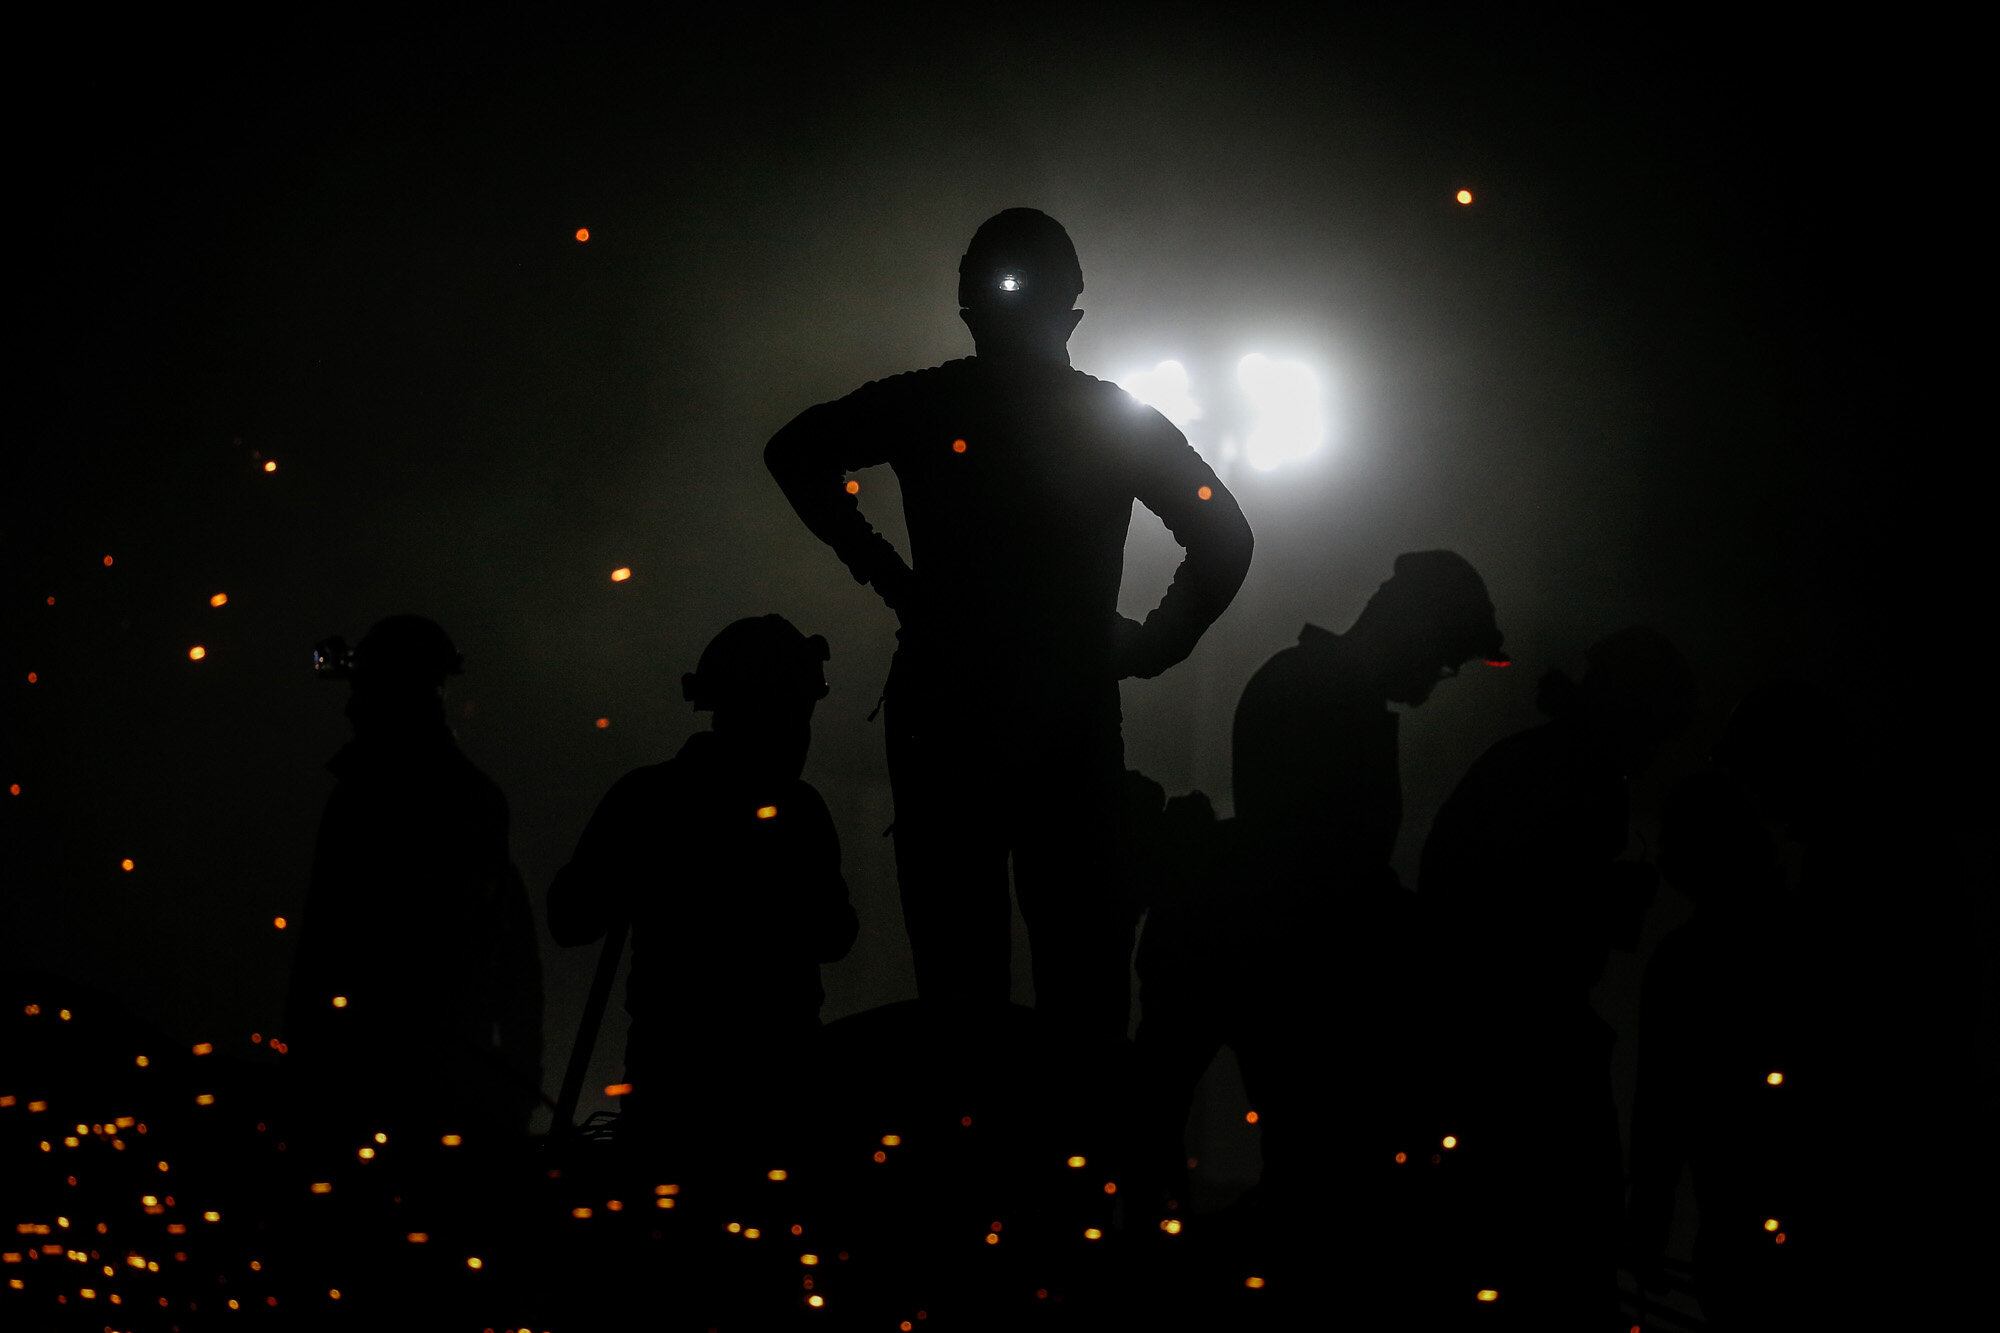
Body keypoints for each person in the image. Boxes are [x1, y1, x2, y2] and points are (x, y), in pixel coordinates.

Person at [765, 208, 1253, 1038]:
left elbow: (795, 450)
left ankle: (970, 1147)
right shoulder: (1109, 419)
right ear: (1071, 315)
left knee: (960, 989)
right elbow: (1223, 535)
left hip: (945, 713)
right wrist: (1148, 644)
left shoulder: (930, 403)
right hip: (1068, 715)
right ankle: (1080, 1152)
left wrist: (894, 580)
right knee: (1083, 984)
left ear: (968, 308)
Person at [1131, 553, 1504, 1289]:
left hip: (1244, 946)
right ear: (1418, 634)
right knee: (1307, 1175)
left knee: (1164, 1138)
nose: (1434, 686)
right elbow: (1325, 867)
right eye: (1444, 663)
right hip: (1275, 964)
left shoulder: (1308, 684)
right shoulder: (1331, 700)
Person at [1419, 626, 1695, 1327]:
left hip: (1484, 1048)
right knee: (1563, 1267)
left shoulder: (1533, 762)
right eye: (1654, 730)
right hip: (1526, 1058)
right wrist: (1604, 903)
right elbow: (1528, 915)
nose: (1654, 752)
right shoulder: (1580, 781)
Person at [547, 615, 858, 1165]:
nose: (801, 732)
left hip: (677, 1093)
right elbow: (834, 935)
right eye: (794, 714)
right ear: (760, 712)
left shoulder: (649, 798)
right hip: (767, 1098)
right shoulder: (798, 811)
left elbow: (571, 917)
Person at [285, 615, 543, 1141]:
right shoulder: (468, 797)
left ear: (399, 693)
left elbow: (328, 941)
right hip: (423, 1070)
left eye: (365, 689)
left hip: (396, 1074)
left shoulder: (379, 799)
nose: (351, 706)